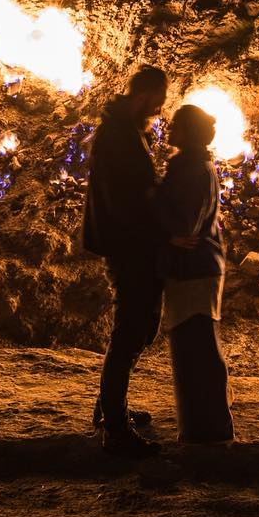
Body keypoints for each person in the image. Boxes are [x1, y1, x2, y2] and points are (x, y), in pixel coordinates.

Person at [82, 64, 168, 458]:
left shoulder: (125, 130)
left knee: (140, 328)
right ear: (145, 95)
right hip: (131, 246)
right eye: (160, 98)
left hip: (135, 243)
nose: (162, 107)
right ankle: (115, 427)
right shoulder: (118, 136)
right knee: (131, 331)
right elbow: (125, 199)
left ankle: (109, 408)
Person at [154, 103, 235, 444]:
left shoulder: (189, 168)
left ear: (187, 132)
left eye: (175, 126)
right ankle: (206, 427)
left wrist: (155, 217)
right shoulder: (198, 165)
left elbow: (185, 225)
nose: (169, 131)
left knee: (195, 347)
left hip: (194, 269)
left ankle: (207, 431)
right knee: (197, 346)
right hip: (201, 266)